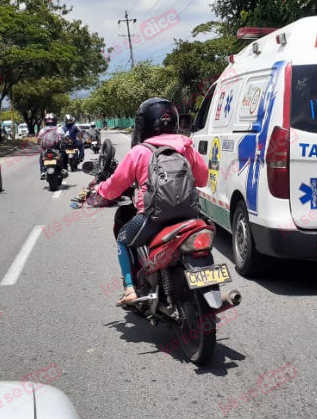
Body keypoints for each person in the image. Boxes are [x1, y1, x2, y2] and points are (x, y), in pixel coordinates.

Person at [87, 98, 208, 306]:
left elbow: (115, 185)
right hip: (189, 215)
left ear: (145, 124)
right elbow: (203, 178)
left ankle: (130, 289)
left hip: (153, 217)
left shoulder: (140, 151)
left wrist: (97, 191)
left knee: (123, 239)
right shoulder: (186, 147)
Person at [37, 113, 64, 180]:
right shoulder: (59, 129)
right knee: (63, 156)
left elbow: (38, 140)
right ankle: (63, 169)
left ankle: (42, 172)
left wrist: (38, 143)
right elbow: (64, 137)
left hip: (46, 150)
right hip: (56, 149)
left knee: (41, 159)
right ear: (55, 120)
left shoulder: (42, 130)